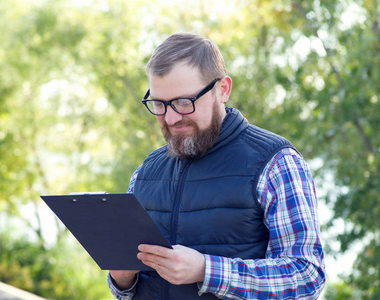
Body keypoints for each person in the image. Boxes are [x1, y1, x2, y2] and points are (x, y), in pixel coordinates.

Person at [107, 32, 326, 299]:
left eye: (183, 102)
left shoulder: (276, 162)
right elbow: (128, 292)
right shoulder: (145, 173)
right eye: (159, 104)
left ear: (222, 90)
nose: (171, 117)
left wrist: (207, 270)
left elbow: (307, 277)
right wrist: (121, 280)